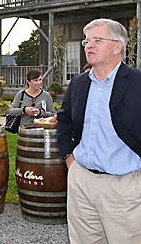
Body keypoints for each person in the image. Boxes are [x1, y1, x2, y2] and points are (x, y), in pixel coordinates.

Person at [57, 18, 141, 243]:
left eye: (97, 40)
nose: (88, 46)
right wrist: (69, 158)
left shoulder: (137, 83)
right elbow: (64, 121)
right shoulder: (78, 83)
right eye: (86, 41)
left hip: (123, 187)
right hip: (81, 182)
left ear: (117, 46)